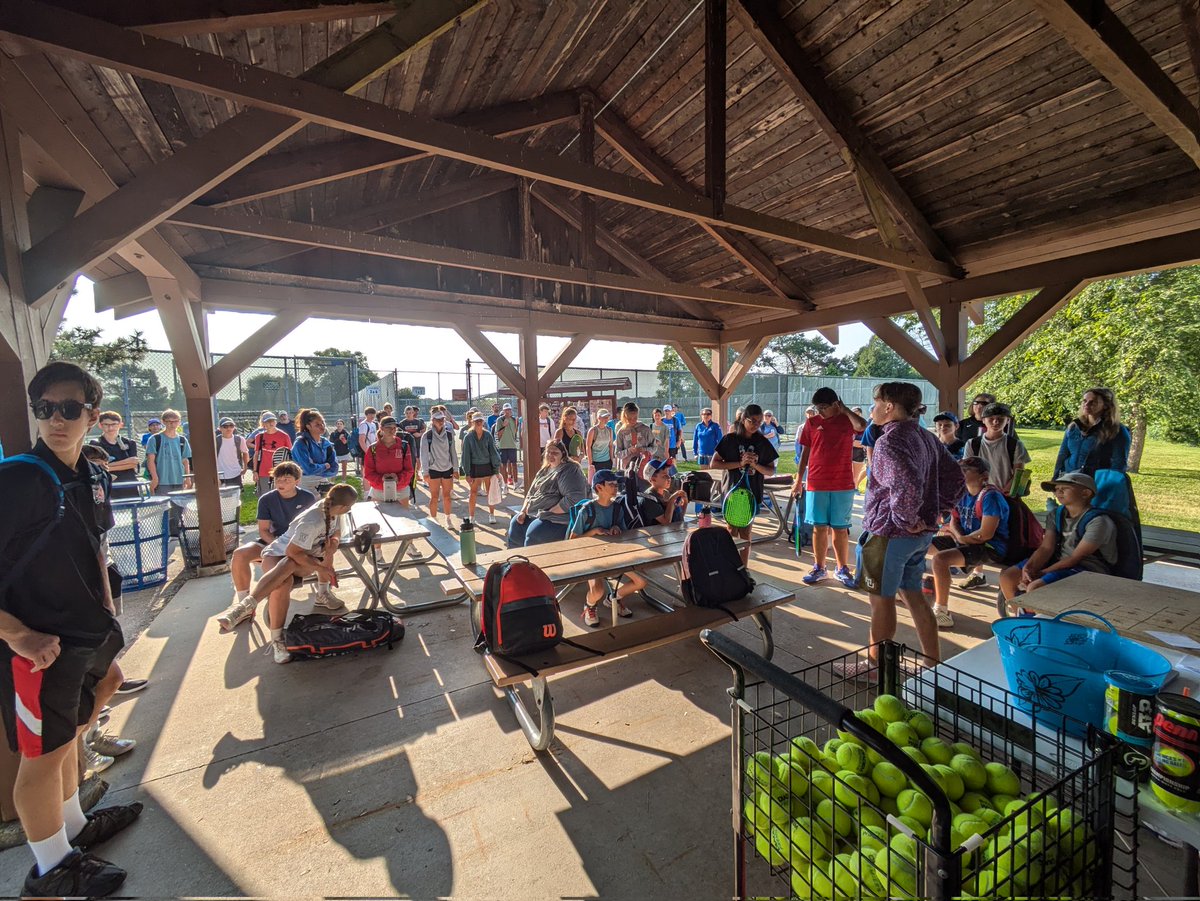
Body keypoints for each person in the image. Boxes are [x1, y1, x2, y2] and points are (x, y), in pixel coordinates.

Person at [0, 361, 141, 897]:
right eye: (45, 409)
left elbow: (96, 548)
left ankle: (74, 825)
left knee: (85, 713)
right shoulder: (17, 479)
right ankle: (50, 868)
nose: (56, 419)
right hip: (40, 645)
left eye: (68, 408)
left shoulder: (93, 475)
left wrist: (107, 616)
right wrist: (17, 635)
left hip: (86, 634)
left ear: (92, 414)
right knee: (43, 754)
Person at [850, 383, 964, 672]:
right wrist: (937, 513)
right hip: (918, 536)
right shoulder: (926, 437)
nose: (873, 410)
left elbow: (906, 486)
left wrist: (907, 519)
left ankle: (875, 667)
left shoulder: (889, 441)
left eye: (876, 403)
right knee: (913, 595)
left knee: (881, 601)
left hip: (890, 533)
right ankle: (932, 663)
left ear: (889, 406)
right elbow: (957, 477)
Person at [245, 484, 359, 664]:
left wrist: (334, 543)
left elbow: (336, 531)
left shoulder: (333, 509)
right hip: (278, 554)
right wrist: (322, 569)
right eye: (350, 507)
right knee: (282, 584)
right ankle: (276, 639)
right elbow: (291, 552)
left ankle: (248, 603)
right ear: (344, 507)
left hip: (299, 556)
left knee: (319, 553)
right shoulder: (312, 521)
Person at [217, 462, 316, 632]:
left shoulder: (307, 498)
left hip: (298, 543)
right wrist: (277, 544)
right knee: (240, 554)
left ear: (297, 481)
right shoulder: (267, 499)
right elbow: (263, 530)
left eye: (286, 479)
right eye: (277, 479)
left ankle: (322, 592)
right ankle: (244, 605)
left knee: (282, 578)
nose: (281, 483)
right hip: (274, 540)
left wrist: (292, 546)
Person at [1000, 472, 1117, 601]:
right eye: (1056, 489)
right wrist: (1029, 568)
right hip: (1058, 561)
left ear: (1085, 493)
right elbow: (1046, 548)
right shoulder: (1056, 514)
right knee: (1008, 577)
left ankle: (1033, 613)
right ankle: (1019, 612)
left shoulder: (1098, 521)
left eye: (1065, 488)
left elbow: (1075, 557)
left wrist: (1041, 573)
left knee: (1035, 588)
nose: (1058, 492)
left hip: (1087, 568)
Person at [793, 388, 867, 588]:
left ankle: (842, 568)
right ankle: (819, 567)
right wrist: (799, 480)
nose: (820, 412)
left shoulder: (847, 420)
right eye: (818, 408)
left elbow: (862, 426)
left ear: (836, 404)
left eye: (824, 407)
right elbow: (805, 453)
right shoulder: (811, 423)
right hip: (816, 482)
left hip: (842, 483)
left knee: (840, 528)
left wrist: (845, 410)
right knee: (819, 528)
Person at [928, 457, 1008, 629]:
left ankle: (941, 611)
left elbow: (986, 534)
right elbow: (954, 521)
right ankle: (910, 588)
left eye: (965, 470)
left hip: (990, 547)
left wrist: (961, 539)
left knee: (940, 560)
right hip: (965, 540)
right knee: (921, 546)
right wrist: (959, 537)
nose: (960, 473)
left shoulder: (991, 497)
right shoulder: (962, 493)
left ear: (983, 476)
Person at [569, 469, 648, 626]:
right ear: (599, 488)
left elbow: (623, 533)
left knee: (641, 582)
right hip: (591, 557)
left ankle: (613, 599)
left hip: (613, 556)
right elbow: (572, 541)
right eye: (611, 484)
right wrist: (593, 532)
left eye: (616, 484)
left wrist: (616, 529)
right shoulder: (587, 510)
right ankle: (590, 605)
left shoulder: (617, 508)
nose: (616, 487)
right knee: (597, 591)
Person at [712, 404, 779, 567]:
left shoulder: (762, 442)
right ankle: (729, 567)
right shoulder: (730, 439)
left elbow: (771, 470)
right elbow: (714, 463)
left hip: (751, 492)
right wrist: (740, 463)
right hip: (732, 491)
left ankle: (743, 568)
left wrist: (755, 465)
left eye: (759, 422)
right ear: (743, 419)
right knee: (731, 530)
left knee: (746, 532)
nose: (756, 425)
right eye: (752, 421)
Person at [507, 442, 588, 548]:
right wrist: (523, 511)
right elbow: (531, 493)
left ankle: (533, 558)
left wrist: (549, 513)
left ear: (563, 454)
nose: (551, 455)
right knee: (515, 524)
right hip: (536, 512)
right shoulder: (544, 471)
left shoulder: (570, 470)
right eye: (548, 452)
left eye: (555, 453)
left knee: (534, 533)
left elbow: (573, 499)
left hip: (558, 518)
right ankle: (516, 558)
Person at [1053, 387, 1131, 478]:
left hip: (1096, 481)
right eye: (1084, 401)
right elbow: (1062, 455)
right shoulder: (1074, 427)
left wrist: (1108, 484)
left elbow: (1119, 464)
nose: (1086, 404)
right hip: (1068, 479)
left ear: (1106, 405)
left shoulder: (1117, 431)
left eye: (1093, 402)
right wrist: (1055, 479)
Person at [461, 412, 502, 525]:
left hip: (487, 466)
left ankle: (492, 514)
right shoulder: (468, 437)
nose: (479, 423)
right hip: (474, 467)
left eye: (480, 420)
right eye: (476, 421)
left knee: (490, 491)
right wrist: (467, 473)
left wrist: (496, 469)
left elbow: (493, 452)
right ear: (472, 422)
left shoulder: (488, 435)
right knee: (473, 492)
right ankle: (472, 516)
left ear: (483, 422)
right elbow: (466, 456)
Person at [363, 416, 414, 506]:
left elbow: (409, 470)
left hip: (400, 489)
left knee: (404, 515)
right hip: (379, 489)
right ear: (381, 428)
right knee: (379, 515)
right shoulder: (373, 448)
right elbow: (368, 472)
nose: (392, 430)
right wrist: (381, 479)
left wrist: (398, 479)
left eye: (394, 427)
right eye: (388, 427)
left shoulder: (403, 446)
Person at [90, 411, 141, 499]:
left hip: (128, 483)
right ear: (100, 425)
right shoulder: (96, 444)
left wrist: (108, 467)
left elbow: (133, 464)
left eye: (114, 424)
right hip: (107, 484)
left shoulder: (130, 443)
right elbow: (98, 467)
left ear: (121, 425)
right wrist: (126, 462)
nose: (110, 428)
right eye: (106, 424)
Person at [422, 411, 459, 527]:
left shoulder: (449, 435)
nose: (441, 422)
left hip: (447, 469)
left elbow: (453, 452)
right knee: (434, 496)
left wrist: (456, 469)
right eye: (438, 419)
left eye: (442, 419)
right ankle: (434, 519)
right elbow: (424, 455)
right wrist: (425, 472)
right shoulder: (427, 435)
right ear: (433, 421)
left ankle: (448, 519)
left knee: (447, 496)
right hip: (433, 469)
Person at [290, 408, 338, 492]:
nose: (322, 426)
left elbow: (334, 468)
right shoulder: (301, 443)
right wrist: (324, 466)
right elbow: (308, 469)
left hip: (324, 483)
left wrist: (319, 470)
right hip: (304, 484)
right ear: (308, 426)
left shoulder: (326, 442)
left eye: (323, 422)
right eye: (317, 424)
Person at [250, 412, 292, 496]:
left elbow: (290, 454)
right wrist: (255, 471)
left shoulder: (284, 436)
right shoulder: (259, 437)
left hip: (280, 472)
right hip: (263, 472)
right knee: (265, 496)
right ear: (263, 424)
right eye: (268, 421)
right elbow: (256, 454)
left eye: (272, 420)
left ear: (276, 422)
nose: (271, 423)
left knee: (280, 495)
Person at [614, 402, 656, 478]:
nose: (633, 421)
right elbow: (617, 453)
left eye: (635, 418)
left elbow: (654, 447)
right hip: (627, 469)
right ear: (625, 417)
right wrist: (629, 450)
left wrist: (644, 450)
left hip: (644, 468)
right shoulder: (621, 432)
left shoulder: (645, 429)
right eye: (629, 418)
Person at [641, 459, 687, 525]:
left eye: (669, 474)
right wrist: (672, 499)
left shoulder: (665, 493)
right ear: (653, 479)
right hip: (656, 531)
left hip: (672, 530)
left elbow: (680, 516)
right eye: (664, 476)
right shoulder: (649, 499)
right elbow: (666, 522)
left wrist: (685, 501)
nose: (669, 478)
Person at [214, 417, 249, 489]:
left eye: (231, 426)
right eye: (225, 426)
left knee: (236, 495)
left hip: (236, 474)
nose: (228, 428)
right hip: (220, 475)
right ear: (220, 428)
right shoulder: (215, 441)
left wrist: (245, 467)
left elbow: (245, 453)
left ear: (234, 427)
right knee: (221, 496)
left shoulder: (240, 439)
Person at [492, 403, 520, 487]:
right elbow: (498, 435)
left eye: (509, 409)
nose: (508, 411)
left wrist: (516, 442)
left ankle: (516, 484)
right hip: (503, 446)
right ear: (503, 411)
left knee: (514, 464)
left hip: (512, 446)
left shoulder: (514, 419)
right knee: (503, 465)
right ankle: (505, 485)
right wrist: (504, 426)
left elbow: (515, 433)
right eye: (506, 410)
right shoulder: (499, 420)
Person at [584, 408, 614, 481]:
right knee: (597, 483)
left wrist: (611, 460)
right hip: (596, 461)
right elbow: (588, 447)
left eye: (607, 417)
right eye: (604, 417)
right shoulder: (593, 430)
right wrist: (590, 463)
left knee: (607, 482)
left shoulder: (609, 430)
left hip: (607, 461)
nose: (606, 419)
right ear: (599, 418)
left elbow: (610, 446)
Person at [850, 407, 868, 490]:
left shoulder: (864, 425)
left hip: (858, 452)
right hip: (848, 452)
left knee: (856, 475)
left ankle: (855, 488)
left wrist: (856, 443)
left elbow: (865, 442)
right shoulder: (847, 424)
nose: (856, 416)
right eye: (854, 414)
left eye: (858, 414)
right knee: (848, 474)